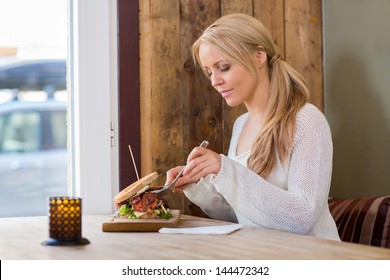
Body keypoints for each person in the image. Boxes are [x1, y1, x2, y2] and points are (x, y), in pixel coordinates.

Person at [166, 13, 340, 241]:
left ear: (259, 56)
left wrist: (225, 168)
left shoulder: (306, 120)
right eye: (209, 72)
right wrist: (199, 184)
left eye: (224, 67)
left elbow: (302, 218)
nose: (214, 81)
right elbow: (240, 216)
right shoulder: (241, 126)